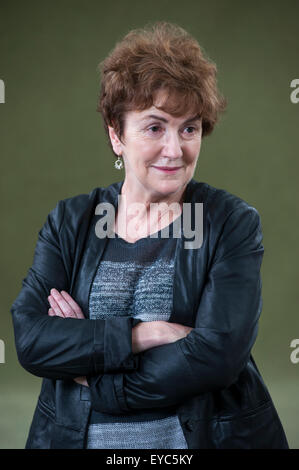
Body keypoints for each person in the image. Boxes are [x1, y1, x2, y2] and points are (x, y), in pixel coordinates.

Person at [11, 21, 289, 449]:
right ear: (116, 134)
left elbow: (215, 359)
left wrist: (92, 372)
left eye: (189, 128)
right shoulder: (71, 221)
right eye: (155, 127)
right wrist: (143, 334)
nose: (176, 150)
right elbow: (32, 341)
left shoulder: (230, 222)